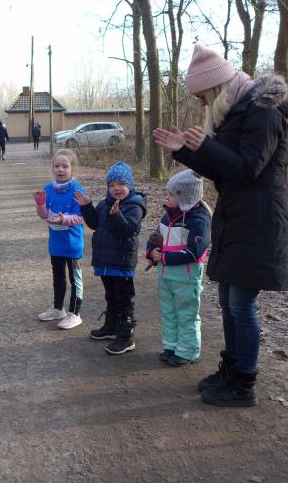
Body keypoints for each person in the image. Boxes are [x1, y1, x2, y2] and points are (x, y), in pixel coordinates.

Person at [153, 43, 288, 407]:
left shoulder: (264, 111)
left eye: (202, 97)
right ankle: (230, 369)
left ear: (215, 88)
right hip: (236, 219)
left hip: (259, 223)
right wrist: (185, 151)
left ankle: (244, 382)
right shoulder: (236, 111)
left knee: (241, 305)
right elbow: (222, 171)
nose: (201, 104)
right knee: (228, 301)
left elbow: (248, 169)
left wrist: (206, 147)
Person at [74, 162, 146, 355]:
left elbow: (128, 230)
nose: (116, 188)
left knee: (124, 300)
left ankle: (126, 336)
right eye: (112, 185)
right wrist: (87, 207)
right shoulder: (105, 203)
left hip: (122, 262)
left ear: (129, 185)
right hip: (106, 261)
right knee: (111, 296)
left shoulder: (135, 206)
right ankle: (111, 326)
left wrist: (116, 216)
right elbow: (95, 223)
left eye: (121, 184)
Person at [146, 169, 211, 367]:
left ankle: (188, 350)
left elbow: (194, 252)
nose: (167, 197)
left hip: (186, 278)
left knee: (186, 315)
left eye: (172, 194)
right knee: (169, 312)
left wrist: (165, 258)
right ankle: (171, 346)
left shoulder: (199, 220)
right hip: (165, 277)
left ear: (185, 197)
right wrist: (152, 252)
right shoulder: (167, 217)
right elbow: (155, 238)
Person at [33, 149, 86, 329]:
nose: (60, 169)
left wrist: (63, 219)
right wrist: (40, 205)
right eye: (57, 166)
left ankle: (75, 313)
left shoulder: (78, 191)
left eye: (65, 166)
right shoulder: (48, 189)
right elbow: (44, 215)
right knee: (58, 276)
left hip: (72, 244)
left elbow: (80, 218)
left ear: (73, 169)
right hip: (55, 243)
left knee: (74, 278)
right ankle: (58, 308)